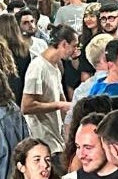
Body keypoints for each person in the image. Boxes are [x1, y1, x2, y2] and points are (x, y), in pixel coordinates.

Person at [22, 25, 77, 156]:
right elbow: (26, 106)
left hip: (57, 142)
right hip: (43, 144)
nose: (75, 50)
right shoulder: (37, 67)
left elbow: (62, 101)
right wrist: (59, 105)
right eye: (74, 46)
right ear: (64, 44)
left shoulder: (55, 68)